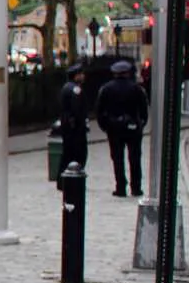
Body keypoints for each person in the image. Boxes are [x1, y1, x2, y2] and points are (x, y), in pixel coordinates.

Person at [96, 59, 149, 199]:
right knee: (135, 158)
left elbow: (99, 110)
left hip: (114, 128)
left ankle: (120, 187)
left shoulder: (106, 88)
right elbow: (144, 109)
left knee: (117, 158)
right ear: (127, 73)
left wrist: (105, 126)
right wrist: (140, 124)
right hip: (133, 127)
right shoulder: (136, 88)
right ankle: (136, 187)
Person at [56, 63, 89, 186]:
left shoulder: (66, 87)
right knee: (78, 154)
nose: (83, 76)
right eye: (81, 74)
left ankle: (62, 180)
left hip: (67, 126)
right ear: (76, 76)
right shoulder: (75, 89)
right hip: (75, 128)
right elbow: (77, 110)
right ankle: (72, 179)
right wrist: (81, 124)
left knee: (67, 153)